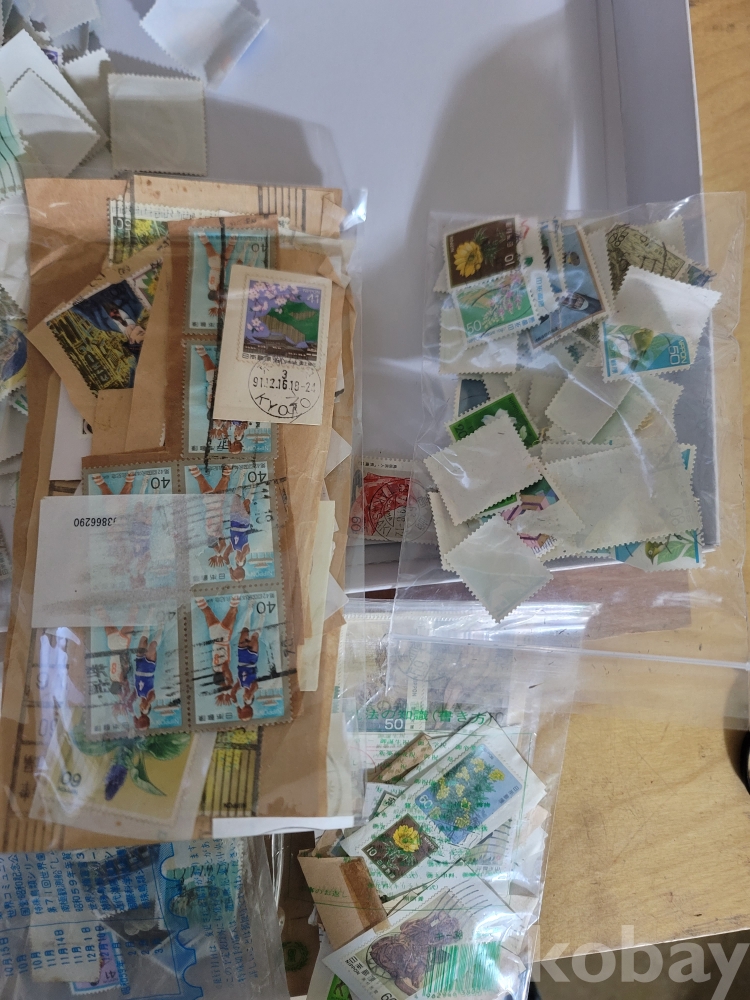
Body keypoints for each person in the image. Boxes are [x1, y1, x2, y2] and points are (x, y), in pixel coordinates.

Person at [195, 595, 240, 704]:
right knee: (206, 610)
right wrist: (223, 690)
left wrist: (228, 687)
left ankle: (236, 591)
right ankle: (196, 595)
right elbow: (221, 678)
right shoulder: (215, 668)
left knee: (233, 610)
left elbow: (227, 673)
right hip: (214, 637)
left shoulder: (223, 667)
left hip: (222, 637)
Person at [188, 465, 232, 567]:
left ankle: (229, 464)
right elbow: (217, 545)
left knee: (225, 478)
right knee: (200, 478)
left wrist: (218, 555)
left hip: (216, 502)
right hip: (209, 502)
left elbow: (222, 545)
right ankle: (191, 465)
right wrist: (217, 554)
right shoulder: (210, 532)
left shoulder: (217, 533)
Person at [132, 621, 165, 730]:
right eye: (145, 708)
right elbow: (152, 697)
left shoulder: (138, 695)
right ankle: (161, 626)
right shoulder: (149, 696)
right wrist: (147, 702)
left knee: (143, 641)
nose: (142, 707)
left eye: (141, 708)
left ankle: (148, 619)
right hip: (148, 668)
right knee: (152, 646)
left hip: (139, 665)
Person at [199, 232, 238, 315]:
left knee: (230, 248)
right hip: (213, 264)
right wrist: (217, 305)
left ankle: (234, 234)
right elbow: (216, 296)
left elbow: (219, 296)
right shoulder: (210, 286)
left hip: (220, 266)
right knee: (207, 245)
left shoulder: (217, 287)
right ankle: (201, 233)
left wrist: (218, 307)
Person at [227, 628, 260, 721]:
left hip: (242, 658)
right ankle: (259, 621)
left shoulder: (241, 684)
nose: (245, 697)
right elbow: (255, 686)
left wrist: (237, 706)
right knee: (254, 636)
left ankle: (250, 620)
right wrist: (250, 694)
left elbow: (232, 692)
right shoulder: (251, 687)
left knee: (245, 631)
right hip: (251, 658)